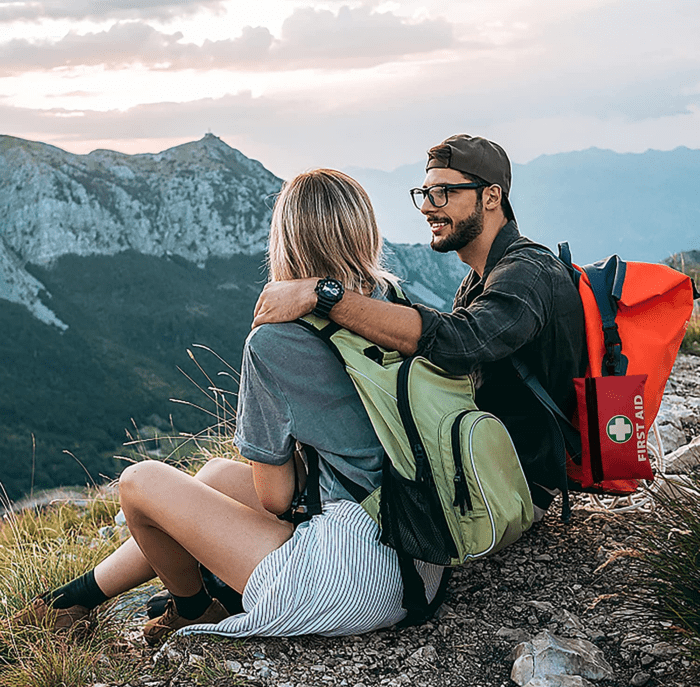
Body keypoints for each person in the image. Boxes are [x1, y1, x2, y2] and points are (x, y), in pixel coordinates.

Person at [9, 169, 445, 644]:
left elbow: (275, 498)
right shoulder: (392, 304)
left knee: (139, 483)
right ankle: (71, 601)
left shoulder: (276, 340)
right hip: (421, 551)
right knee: (214, 475)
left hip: (355, 576)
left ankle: (191, 608)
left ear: (287, 239)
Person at [254, 135, 588, 518]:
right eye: (425, 193)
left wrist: (323, 294)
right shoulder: (483, 278)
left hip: (512, 486)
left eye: (444, 192)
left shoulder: (527, 273)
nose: (428, 207)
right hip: (485, 470)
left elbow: (462, 344)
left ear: (492, 197)